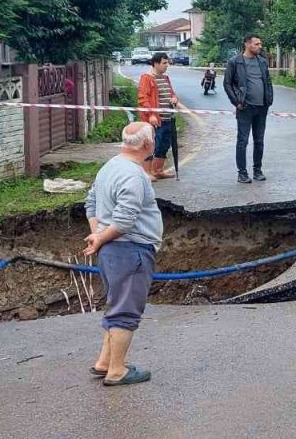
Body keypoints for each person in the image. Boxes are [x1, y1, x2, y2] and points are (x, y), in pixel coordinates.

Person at [83, 122, 163, 387]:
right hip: (130, 251)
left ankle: (104, 362)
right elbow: (125, 220)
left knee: (116, 305)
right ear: (148, 145)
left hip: (112, 251)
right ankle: (117, 370)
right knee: (125, 312)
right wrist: (102, 238)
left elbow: (91, 201)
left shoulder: (110, 166)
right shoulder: (134, 175)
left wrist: (98, 235)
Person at [224, 35, 275, 184]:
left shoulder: (262, 62)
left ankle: (257, 171)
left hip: (262, 107)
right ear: (247, 44)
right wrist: (236, 102)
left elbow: (268, 81)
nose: (260, 46)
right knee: (243, 141)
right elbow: (227, 84)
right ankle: (242, 173)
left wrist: (269, 99)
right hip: (245, 107)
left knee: (259, 141)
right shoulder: (235, 62)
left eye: (260, 44)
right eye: (256, 44)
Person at [136, 52, 177, 181]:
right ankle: (146, 172)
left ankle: (158, 170)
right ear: (156, 63)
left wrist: (174, 98)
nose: (167, 65)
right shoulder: (146, 78)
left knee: (164, 144)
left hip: (167, 118)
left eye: (167, 62)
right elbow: (143, 98)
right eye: (164, 63)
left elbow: (171, 93)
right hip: (154, 120)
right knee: (151, 146)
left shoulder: (166, 78)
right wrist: (151, 114)